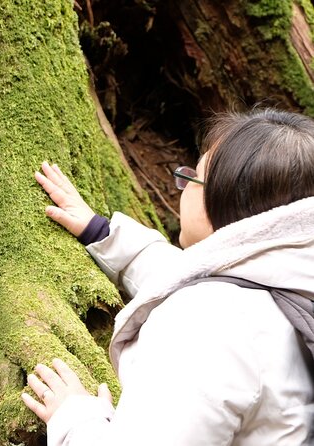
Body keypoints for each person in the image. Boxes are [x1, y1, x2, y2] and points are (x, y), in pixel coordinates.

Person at [22, 108, 314, 445]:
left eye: (193, 178)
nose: (183, 187)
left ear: (228, 202)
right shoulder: (289, 288)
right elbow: (189, 277)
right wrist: (100, 231)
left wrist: (75, 421)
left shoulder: (205, 325)